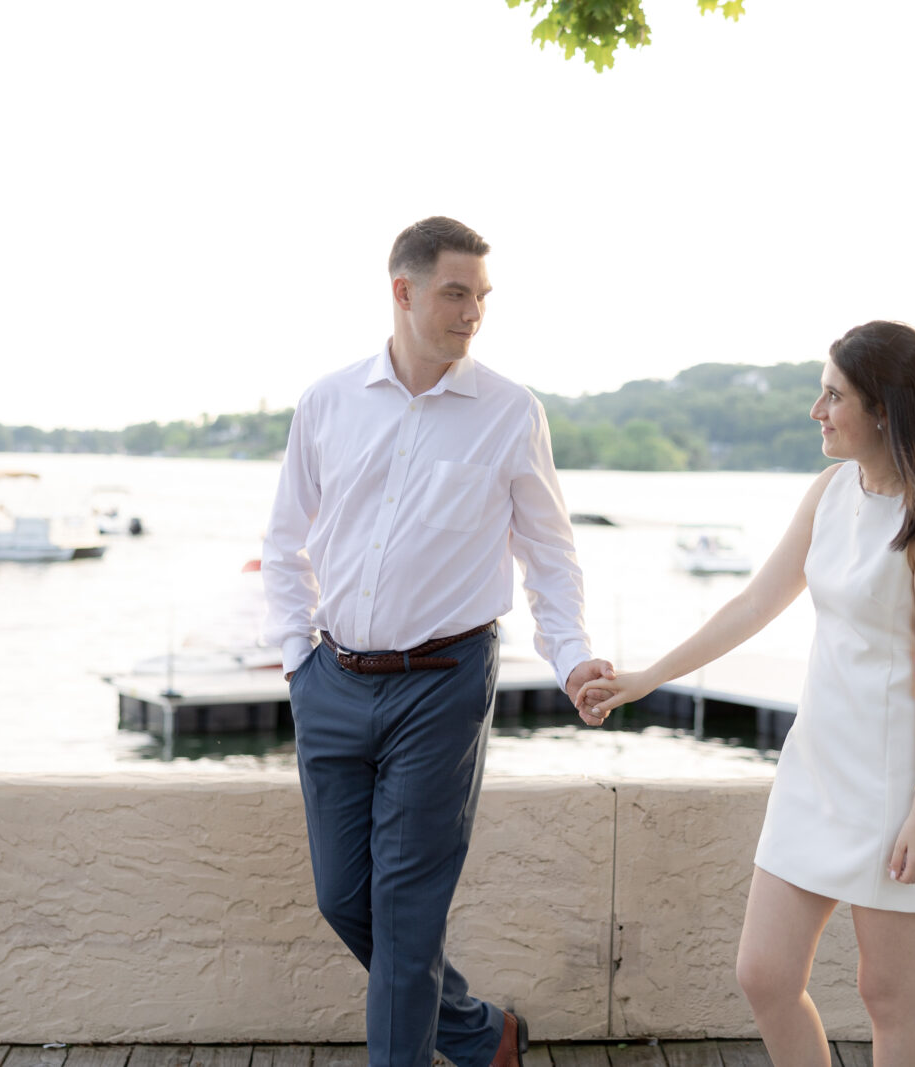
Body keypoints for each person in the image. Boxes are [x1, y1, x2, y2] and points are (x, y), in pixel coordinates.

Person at [577, 321, 915, 1067]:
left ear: (884, 408)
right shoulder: (831, 491)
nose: (816, 411)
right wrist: (646, 676)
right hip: (815, 768)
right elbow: (753, 604)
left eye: (834, 395)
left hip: (897, 783)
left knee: (889, 996)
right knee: (763, 975)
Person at [262, 216, 613, 1067]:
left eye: (483, 296)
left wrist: (572, 659)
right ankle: (479, 1031)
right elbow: (284, 542)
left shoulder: (509, 411)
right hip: (333, 678)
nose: (473, 312)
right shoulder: (327, 401)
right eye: (457, 292)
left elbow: (550, 556)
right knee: (346, 898)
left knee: (408, 911)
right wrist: (296, 662)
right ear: (404, 291)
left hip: (444, 683)